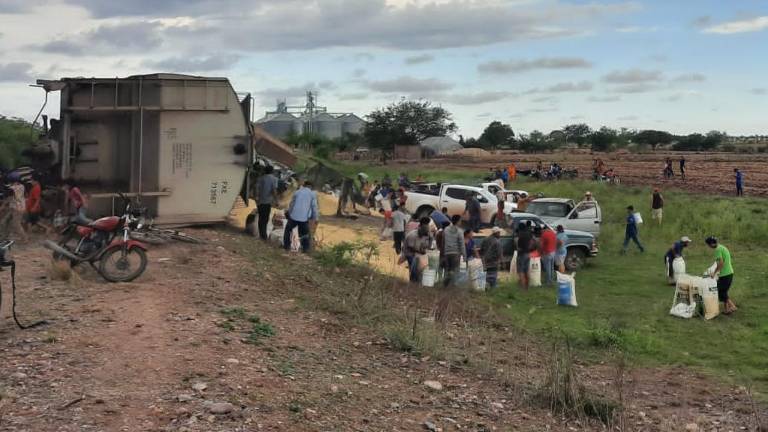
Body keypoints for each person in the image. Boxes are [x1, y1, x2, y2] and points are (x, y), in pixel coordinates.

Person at [284, 181, 318, 253]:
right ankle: (305, 249)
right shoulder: (312, 194)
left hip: (293, 216)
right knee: (305, 233)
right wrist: (314, 218)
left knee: (288, 231)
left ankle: (286, 246)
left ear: (304, 185)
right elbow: (314, 207)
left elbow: (291, 204)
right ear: (311, 187)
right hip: (304, 218)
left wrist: (289, 213)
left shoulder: (297, 192)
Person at [705, 236, 737, 314]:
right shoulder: (722, 247)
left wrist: (714, 273)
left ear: (711, 244)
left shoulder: (717, 250)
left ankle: (732, 306)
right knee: (724, 291)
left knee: (719, 291)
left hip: (725, 274)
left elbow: (721, 263)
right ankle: (727, 309)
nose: (708, 246)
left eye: (708, 245)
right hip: (729, 273)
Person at [403, 217, 431, 282]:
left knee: (420, 268)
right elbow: (411, 247)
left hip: (417, 253)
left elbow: (426, 246)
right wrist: (421, 251)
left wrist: (430, 238)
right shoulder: (413, 235)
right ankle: (413, 281)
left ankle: (416, 281)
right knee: (414, 267)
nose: (426, 232)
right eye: (425, 230)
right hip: (410, 253)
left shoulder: (424, 235)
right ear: (420, 228)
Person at [255, 166, 279, 240]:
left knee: (261, 218)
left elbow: (256, 188)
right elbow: (274, 190)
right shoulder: (274, 179)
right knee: (265, 219)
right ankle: (263, 236)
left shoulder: (260, 178)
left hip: (260, 201)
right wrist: (276, 200)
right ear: (272, 171)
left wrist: (257, 198)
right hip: (267, 202)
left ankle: (262, 234)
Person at [442, 215, 466, 288]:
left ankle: (446, 285)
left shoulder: (446, 229)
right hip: (455, 253)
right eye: (460, 221)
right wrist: (464, 255)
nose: (461, 222)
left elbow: (443, 241)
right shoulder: (460, 231)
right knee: (455, 269)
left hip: (447, 252)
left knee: (447, 268)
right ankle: (453, 285)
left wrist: (443, 252)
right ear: (458, 221)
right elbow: (462, 244)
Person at [515, 222, 533, 290]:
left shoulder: (521, 236)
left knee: (521, 271)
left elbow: (519, 248)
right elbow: (532, 242)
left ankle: (523, 289)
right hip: (528, 254)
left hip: (521, 255)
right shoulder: (529, 233)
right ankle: (527, 287)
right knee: (527, 270)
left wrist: (517, 246)